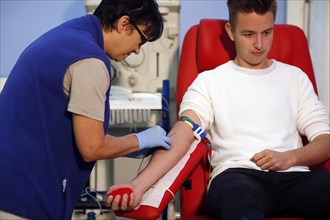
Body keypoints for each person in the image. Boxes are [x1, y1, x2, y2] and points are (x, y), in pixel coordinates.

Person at [105, 0, 330, 219]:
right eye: (249, 34)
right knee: (240, 206)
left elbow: (324, 141)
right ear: (231, 31)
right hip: (238, 178)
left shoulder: (295, 78)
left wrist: (289, 158)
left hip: (295, 178)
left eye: (267, 33)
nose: (260, 44)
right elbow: (183, 133)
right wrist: (138, 185)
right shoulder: (209, 82)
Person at [0, 0, 172, 219]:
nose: (137, 50)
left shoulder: (65, 36)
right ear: (124, 23)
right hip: (22, 199)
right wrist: (141, 140)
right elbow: (92, 147)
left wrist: (130, 147)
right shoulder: (90, 60)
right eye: (141, 40)